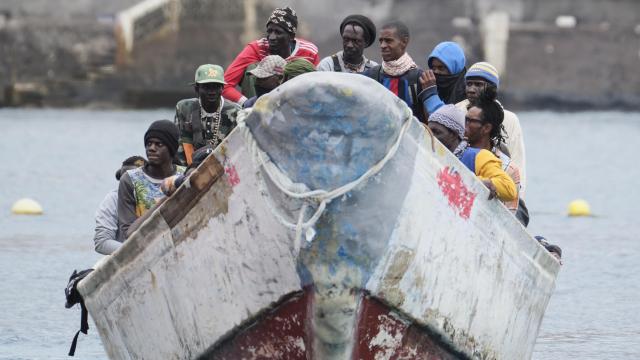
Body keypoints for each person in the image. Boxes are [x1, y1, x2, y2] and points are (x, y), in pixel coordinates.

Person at [455, 62, 527, 198]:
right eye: (469, 84)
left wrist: (519, 199)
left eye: (478, 84)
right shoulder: (455, 111)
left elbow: (517, 163)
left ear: (492, 89)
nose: (471, 89)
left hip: (499, 188)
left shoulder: (509, 119)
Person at [222, 7, 319, 106]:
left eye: (278, 32)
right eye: (269, 31)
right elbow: (224, 85)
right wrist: (246, 103)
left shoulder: (308, 52)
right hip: (257, 102)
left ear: (291, 36)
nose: (271, 37)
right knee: (252, 68)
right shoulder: (256, 49)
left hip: (296, 105)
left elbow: (318, 86)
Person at [427, 104, 517, 202]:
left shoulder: (479, 156)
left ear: (454, 134)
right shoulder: (428, 154)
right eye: (429, 131)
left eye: (437, 132)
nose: (431, 136)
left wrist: (479, 182)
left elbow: (509, 189)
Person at [118, 120, 186, 239]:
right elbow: (128, 234)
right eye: (149, 144)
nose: (152, 148)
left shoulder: (184, 176)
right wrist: (165, 199)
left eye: (159, 144)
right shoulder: (130, 179)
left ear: (171, 149)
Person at [463, 90, 524, 219]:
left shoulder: (508, 169)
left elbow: (509, 218)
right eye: (465, 119)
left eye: (471, 121)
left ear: (486, 128)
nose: (465, 125)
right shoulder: (456, 150)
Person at [175, 64, 240, 166]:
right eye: (207, 87)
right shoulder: (184, 108)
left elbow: (238, 150)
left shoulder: (235, 112)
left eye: (216, 87)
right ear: (196, 89)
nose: (212, 92)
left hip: (225, 169)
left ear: (222, 88)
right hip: (188, 170)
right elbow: (179, 145)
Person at [364, 20, 425, 122]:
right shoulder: (370, 76)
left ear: (404, 42)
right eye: (381, 41)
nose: (382, 45)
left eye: (388, 40)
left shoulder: (420, 79)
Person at [93, 156, 145, 255]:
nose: (131, 184)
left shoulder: (158, 193)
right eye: (126, 181)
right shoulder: (113, 199)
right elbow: (101, 242)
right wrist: (137, 251)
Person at [418, 41, 468, 115]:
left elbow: (445, 121)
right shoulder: (428, 85)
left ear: (455, 68)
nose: (436, 72)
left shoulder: (468, 92)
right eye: (433, 68)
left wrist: (430, 94)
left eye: (441, 68)